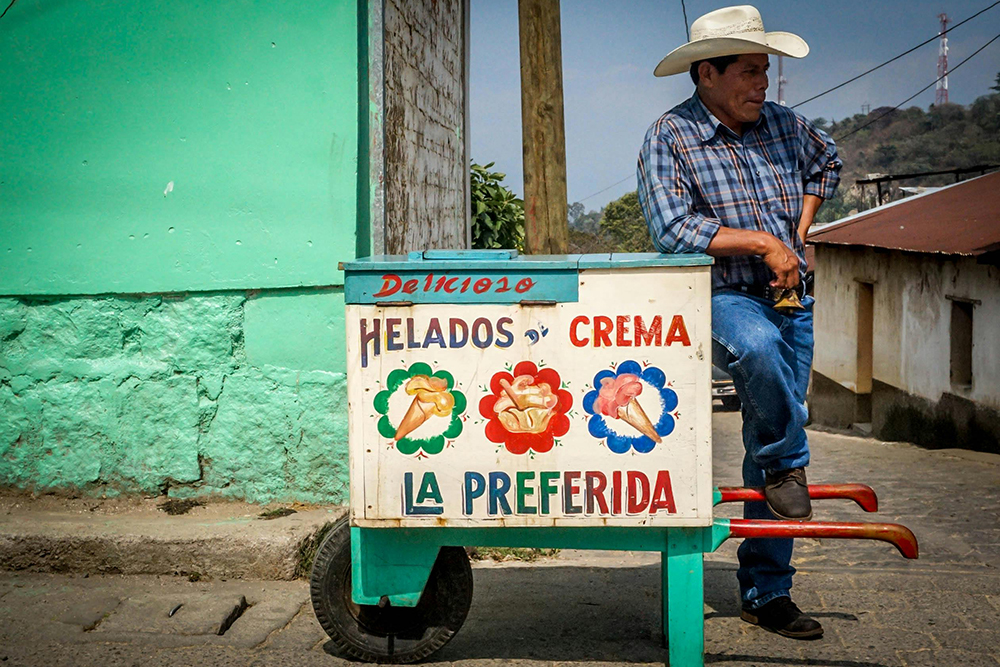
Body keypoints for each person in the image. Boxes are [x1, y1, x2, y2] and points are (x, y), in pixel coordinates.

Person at [637, 5, 842, 639]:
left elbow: (826, 162)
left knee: (774, 418)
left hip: (792, 299)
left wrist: (799, 230)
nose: (763, 83)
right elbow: (672, 230)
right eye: (750, 71)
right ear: (707, 73)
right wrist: (762, 243)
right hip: (723, 296)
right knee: (755, 354)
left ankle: (767, 592)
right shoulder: (670, 137)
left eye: (765, 70)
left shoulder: (787, 126)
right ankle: (788, 464)